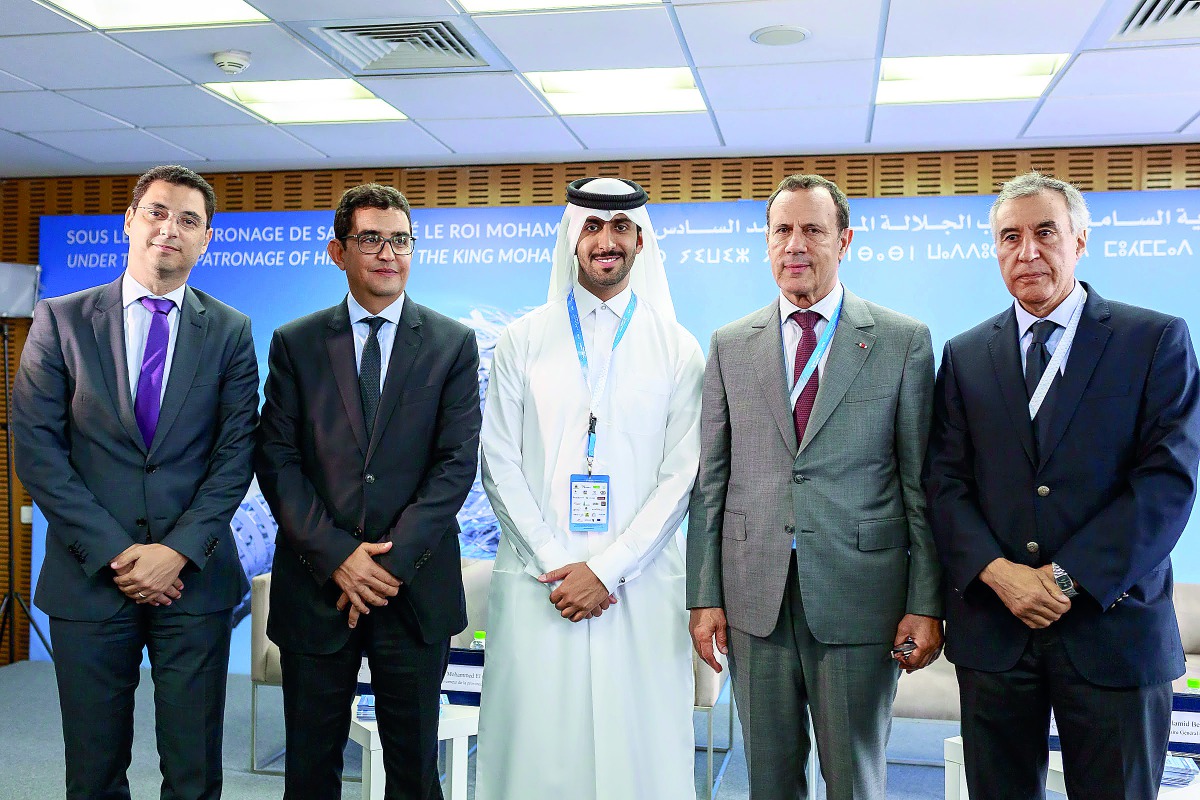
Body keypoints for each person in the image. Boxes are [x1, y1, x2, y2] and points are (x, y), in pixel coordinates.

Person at [924, 171, 1200, 800]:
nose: (1027, 252)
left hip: (1113, 632)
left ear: (1080, 240)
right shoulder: (967, 355)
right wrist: (1001, 574)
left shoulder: (1153, 340)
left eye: (1045, 233)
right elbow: (945, 482)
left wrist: (1064, 578)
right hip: (997, 634)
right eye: (1009, 237)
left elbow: (1166, 483)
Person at [687, 174, 943, 800]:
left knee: (854, 779)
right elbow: (711, 481)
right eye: (782, 231)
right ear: (767, 242)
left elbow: (921, 487)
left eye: (812, 230)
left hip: (862, 595)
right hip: (755, 598)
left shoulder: (902, 342)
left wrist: (927, 600)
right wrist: (704, 595)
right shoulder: (728, 346)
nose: (795, 245)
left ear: (844, 240)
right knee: (768, 781)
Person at [12, 164, 259, 800]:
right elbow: (39, 452)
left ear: (206, 239)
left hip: (193, 582)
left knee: (193, 768)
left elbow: (235, 456)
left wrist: (174, 552)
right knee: (92, 770)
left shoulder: (231, 331)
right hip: (90, 575)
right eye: (156, 212)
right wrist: (122, 555)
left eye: (188, 220)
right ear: (129, 221)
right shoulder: (60, 320)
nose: (169, 229)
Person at [476, 177, 704, 800]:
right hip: (541, 584)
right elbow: (497, 459)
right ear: (572, 239)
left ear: (640, 241)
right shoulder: (524, 339)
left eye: (621, 228)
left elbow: (682, 473)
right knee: (538, 746)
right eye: (593, 227)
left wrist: (606, 570)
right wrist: (557, 562)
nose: (607, 242)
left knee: (641, 750)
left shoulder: (678, 348)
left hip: (640, 585)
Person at [255, 183, 481, 800]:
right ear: (338, 251)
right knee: (310, 771)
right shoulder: (296, 343)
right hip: (316, 586)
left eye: (400, 240)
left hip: (412, 589)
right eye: (371, 239)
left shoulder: (451, 344)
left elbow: (455, 465)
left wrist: (386, 567)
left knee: (413, 773)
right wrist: (339, 559)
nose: (388, 253)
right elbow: (277, 459)